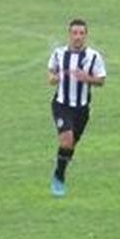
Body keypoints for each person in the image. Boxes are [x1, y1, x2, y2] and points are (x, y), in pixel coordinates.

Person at [47, 18, 106, 197]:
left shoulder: (93, 57)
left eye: (81, 33)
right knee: (66, 140)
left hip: (81, 109)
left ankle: (62, 164)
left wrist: (86, 78)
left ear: (86, 35)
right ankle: (59, 176)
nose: (78, 37)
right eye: (74, 33)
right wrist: (53, 78)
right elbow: (50, 74)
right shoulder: (59, 54)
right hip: (62, 105)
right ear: (69, 34)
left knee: (71, 146)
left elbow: (101, 80)